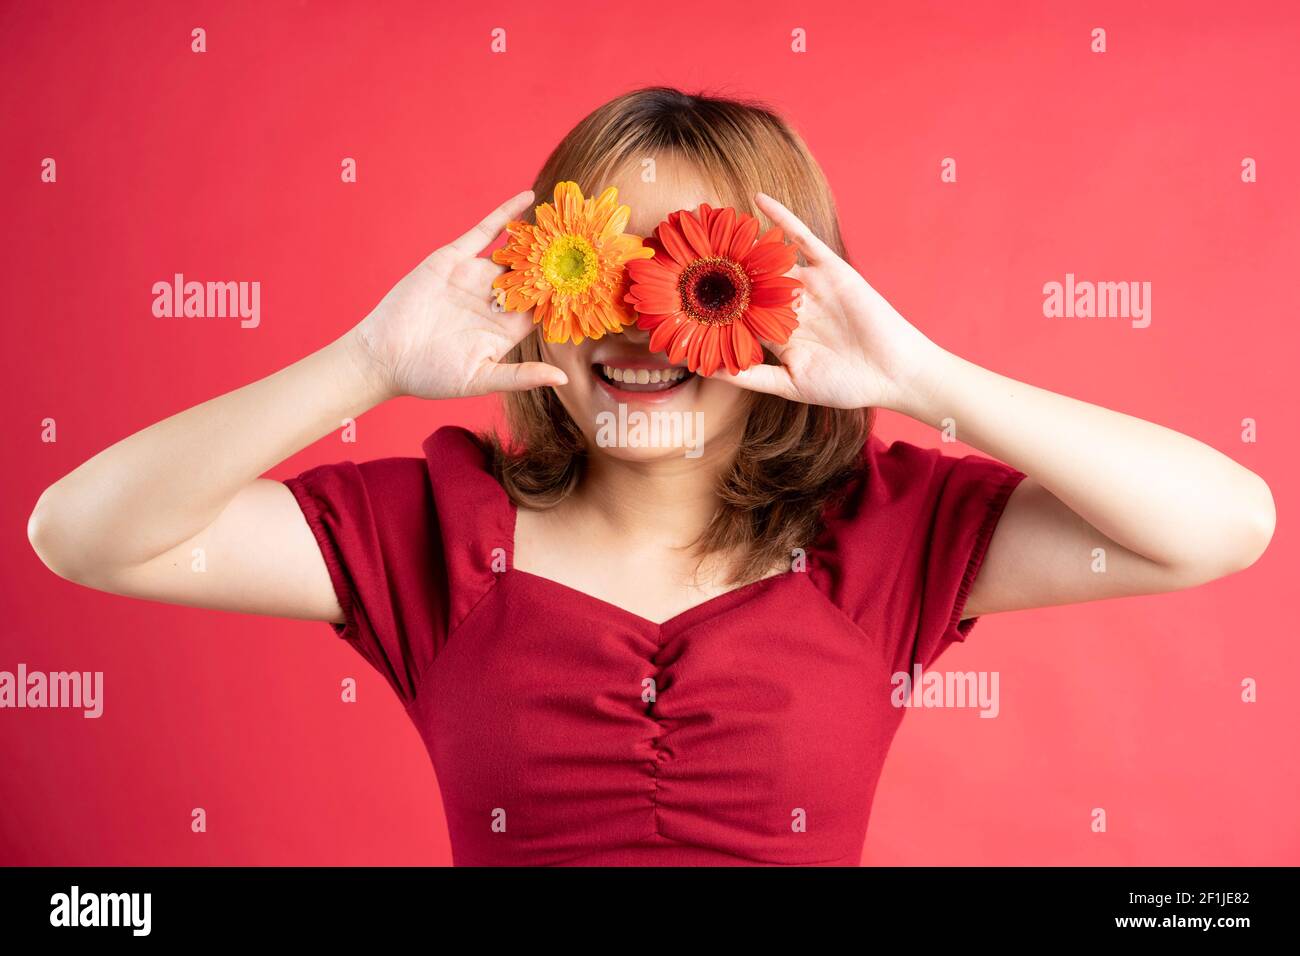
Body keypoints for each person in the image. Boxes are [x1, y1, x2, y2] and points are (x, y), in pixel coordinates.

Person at [27, 88, 1275, 866]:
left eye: (697, 280)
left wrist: (921, 375)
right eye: (604, 272)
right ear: (538, 283)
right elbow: (84, 534)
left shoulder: (890, 540)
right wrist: (365, 363)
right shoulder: (430, 535)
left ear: (787, 306)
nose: (639, 327)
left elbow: (1221, 523)